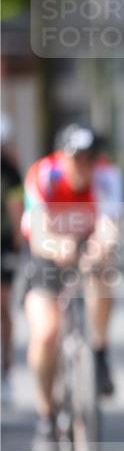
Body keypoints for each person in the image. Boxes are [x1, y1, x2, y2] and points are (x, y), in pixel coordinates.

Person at [22, 125, 124, 449]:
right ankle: (45, 414)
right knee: (47, 333)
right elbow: (38, 235)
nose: (84, 166)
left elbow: (110, 225)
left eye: (90, 159)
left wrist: (100, 247)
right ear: (61, 157)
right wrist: (57, 246)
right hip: (47, 253)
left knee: (105, 273)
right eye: (77, 158)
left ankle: (100, 349)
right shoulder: (43, 175)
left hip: (85, 246)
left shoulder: (106, 176)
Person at [1, 116, 24, 408]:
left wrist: (20, 244)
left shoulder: (10, 171)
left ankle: (5, 369)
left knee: (3, 303)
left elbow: (17, 210)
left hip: (4, 243)